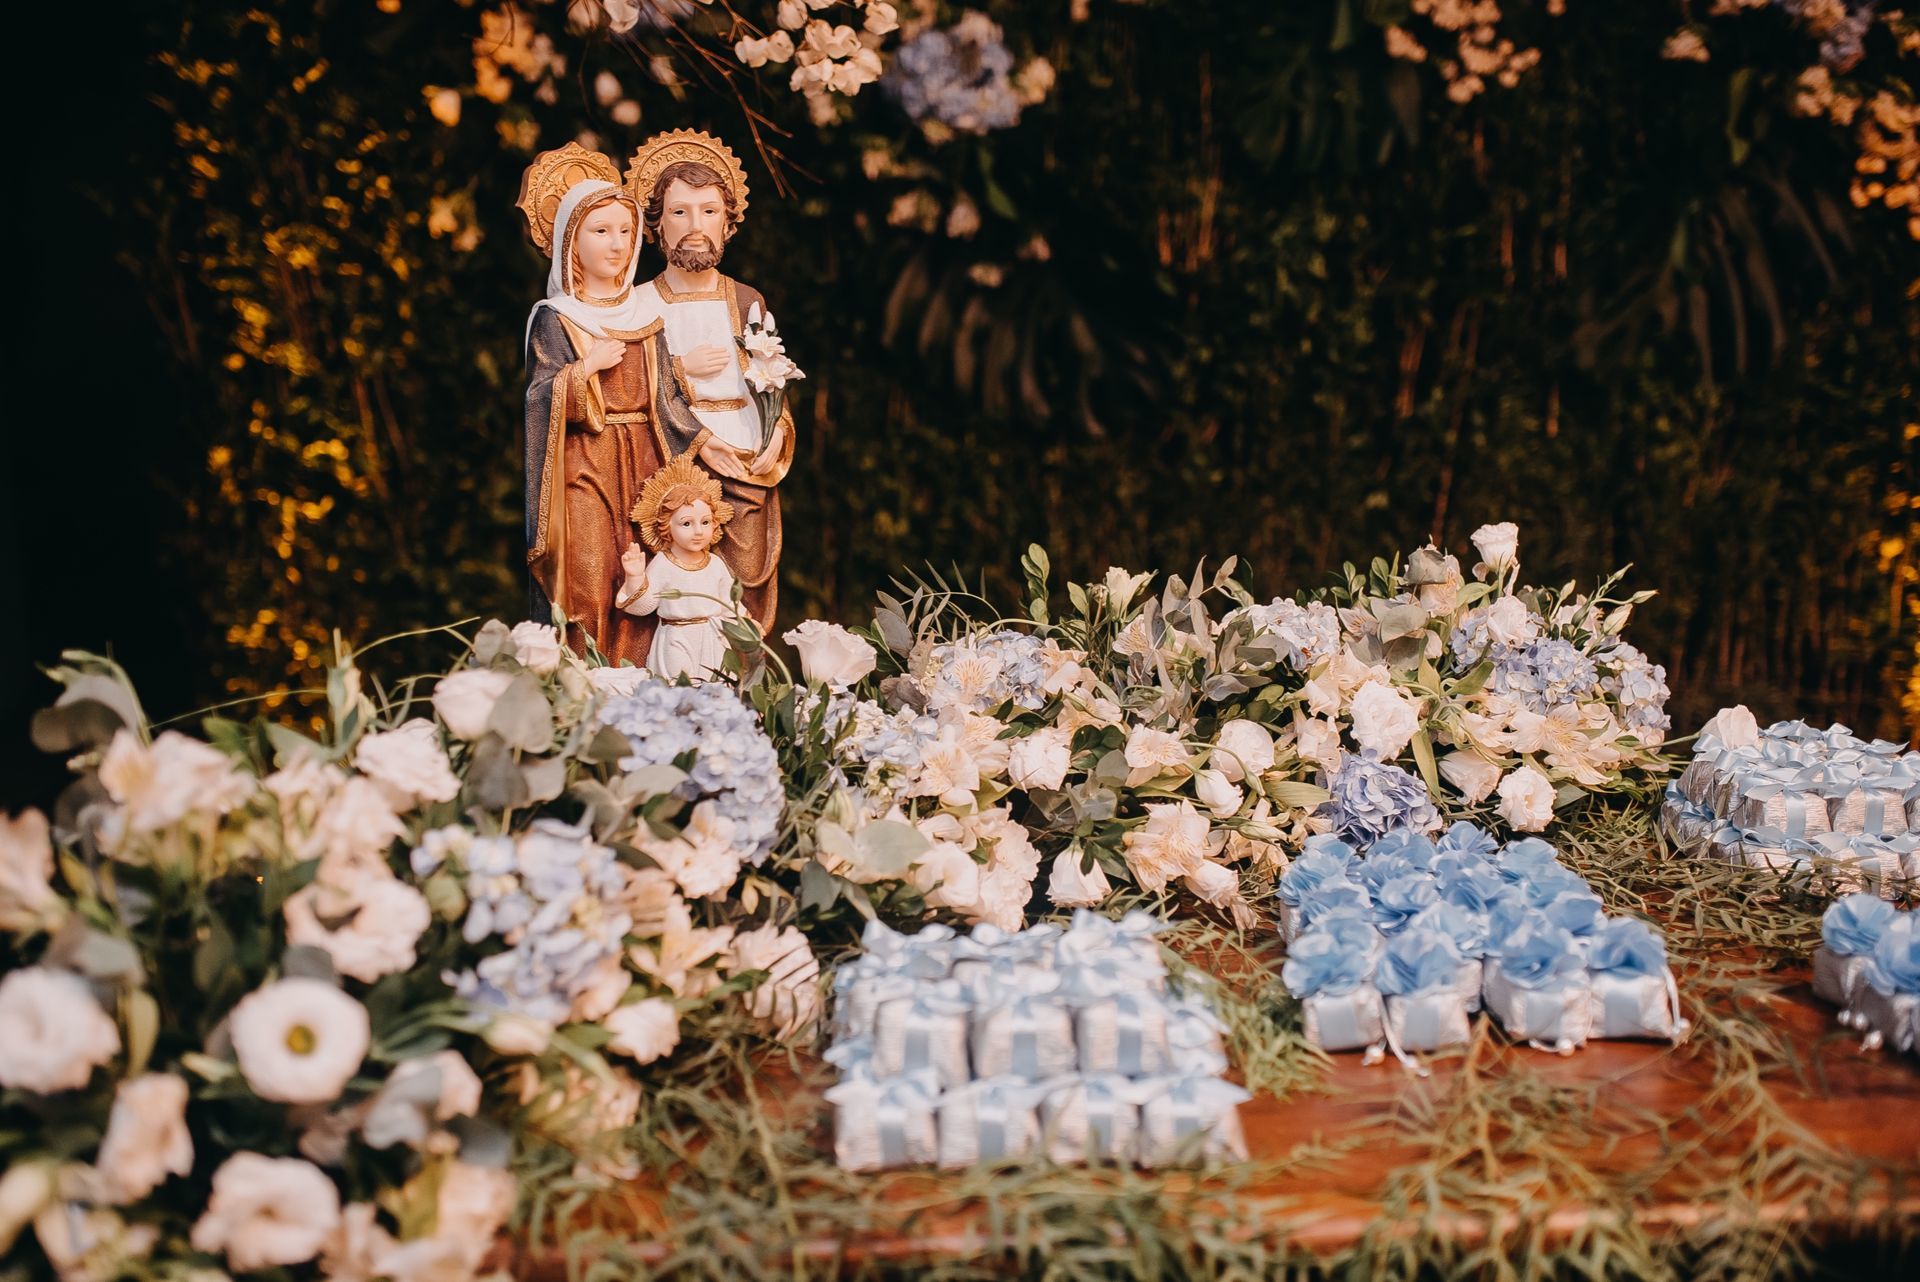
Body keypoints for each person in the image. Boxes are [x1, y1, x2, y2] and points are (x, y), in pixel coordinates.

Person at [616, 455, 743, 681]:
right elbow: (644, 606)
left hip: (712, 638)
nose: (698, 531)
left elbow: (729, 603)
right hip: (676, 638)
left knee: (713, 689)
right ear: (666, 527)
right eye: (686, 523)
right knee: (679, 687)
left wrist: (746, 625)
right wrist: (635, 577)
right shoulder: (664, 564)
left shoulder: (714, 564)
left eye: (705, 522)